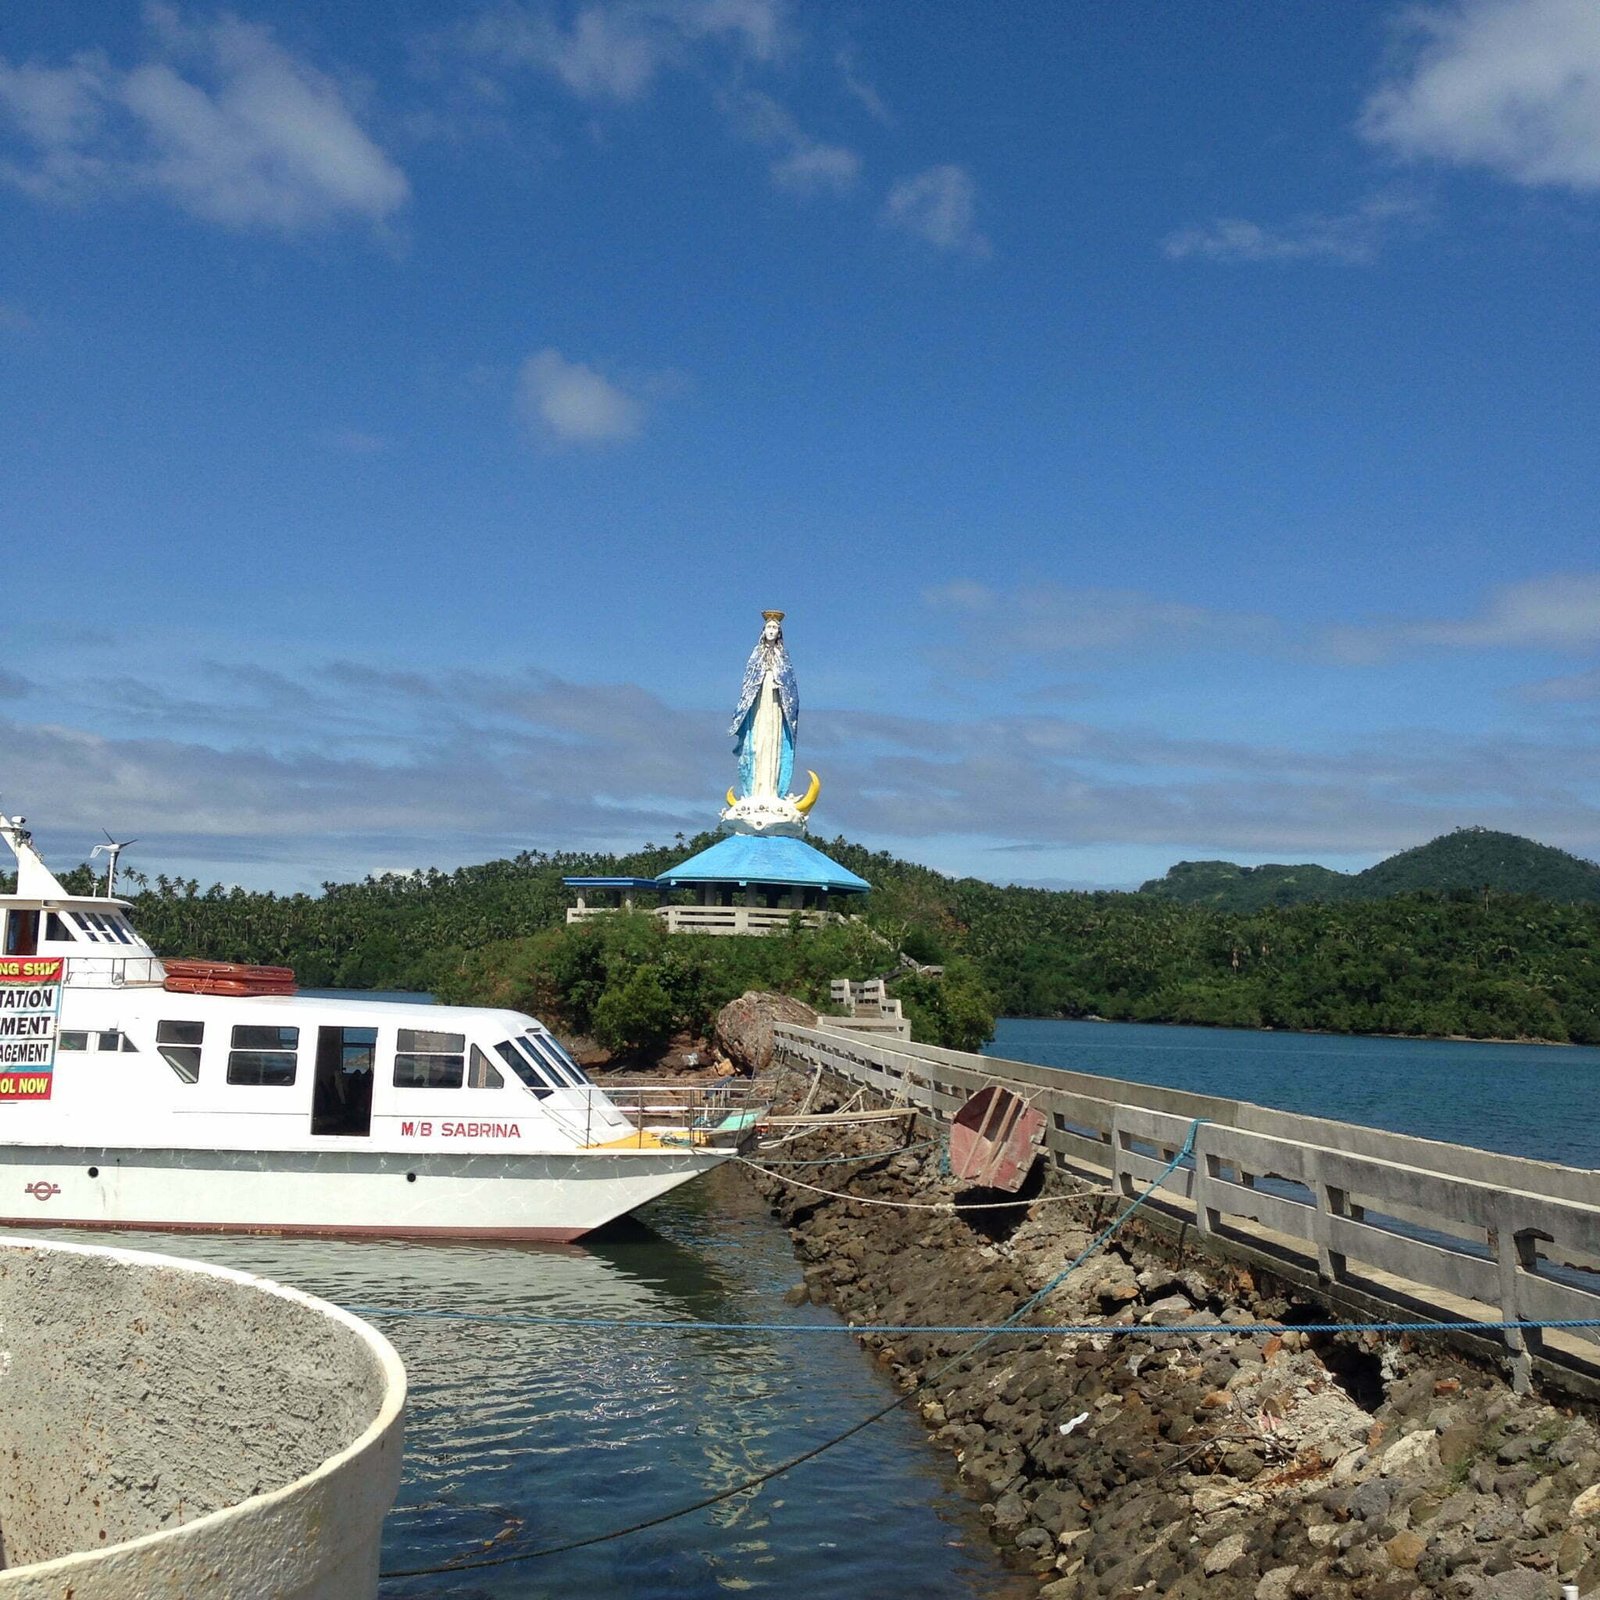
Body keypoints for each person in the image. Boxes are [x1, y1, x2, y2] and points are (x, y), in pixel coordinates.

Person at [730, 610, 799, 799]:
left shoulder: (782, 656)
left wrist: (779, 684)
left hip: (776, 705)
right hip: (759, 706)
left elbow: (791, 687)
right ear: (763, 630)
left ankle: (771, 789)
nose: (771, 631)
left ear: (779, 632)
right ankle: (756, 789)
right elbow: (748, 683)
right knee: (758, 743)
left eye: (774, 628)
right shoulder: (756, 654)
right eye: (769, 627)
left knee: (773, 742)